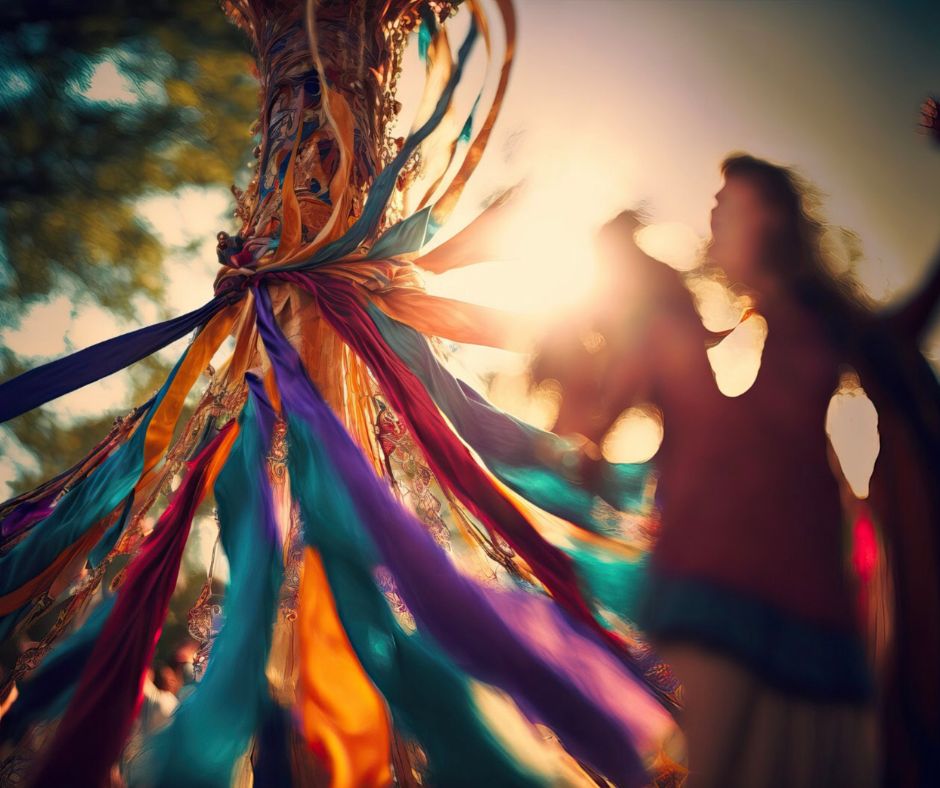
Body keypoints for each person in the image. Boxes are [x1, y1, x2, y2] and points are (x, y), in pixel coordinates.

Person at [572, 145, 940, 786]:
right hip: (717, 589)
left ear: (767, 217)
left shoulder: (816, 321)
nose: (711, 213)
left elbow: (901, 331)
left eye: (725, 202)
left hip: (801, 604)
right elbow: (634, 397)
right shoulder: (689, 316)